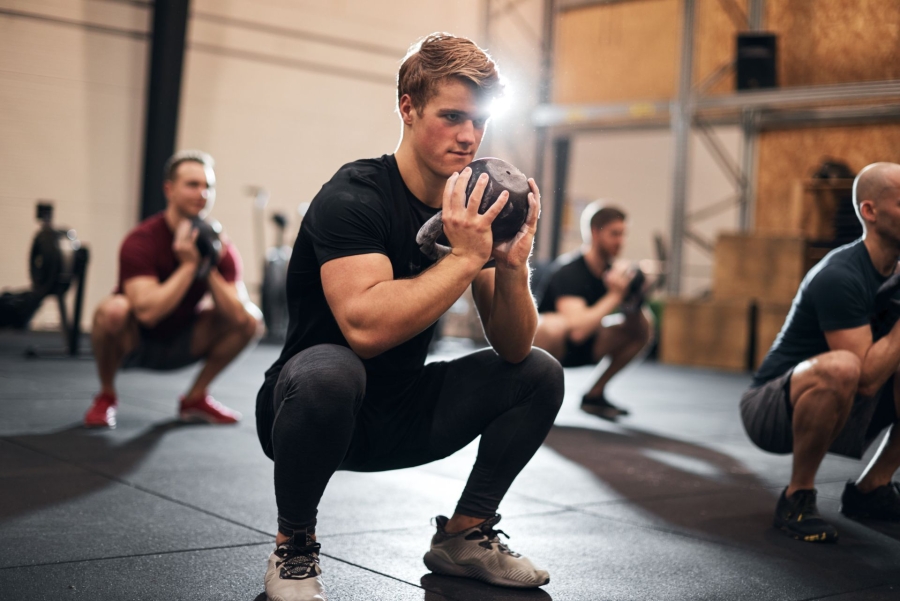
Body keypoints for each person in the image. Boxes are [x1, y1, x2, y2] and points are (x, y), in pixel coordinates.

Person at [255, 33, 563, 601]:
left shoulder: (471, 209)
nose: (469, 136)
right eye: (452, 117)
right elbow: (365, 330)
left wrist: (512, 266)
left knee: (539, 372)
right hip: (310, 411)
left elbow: (515, 347)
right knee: (331, 369)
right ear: (407, 107)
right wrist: (468, 258)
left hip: (403, 413)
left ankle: (465, 536)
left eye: (480, 121)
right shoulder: (355, 196)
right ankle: (294, 544)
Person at [740, 162, 900, 543]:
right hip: (772, 408)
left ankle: (872, 489)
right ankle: (798, 496)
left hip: (844, 398)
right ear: (870, 212)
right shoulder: (840, 274)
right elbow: (864, 379)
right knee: (844, 367)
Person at [84, 150, 262, 428]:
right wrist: (188, 267)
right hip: (135, 341)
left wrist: (208, 264)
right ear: (169, 189)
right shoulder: (142, 240)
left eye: (208, 186)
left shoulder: (220, 246)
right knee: (113, 309)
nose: (202, 193)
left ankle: (195, 398)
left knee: (252, 319)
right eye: (193, 184)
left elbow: (240, 319)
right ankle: (106, 396)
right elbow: (147, 314)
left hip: (185, 339)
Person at [533, 202, 652, 420]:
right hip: (551, 351)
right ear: (595, 233)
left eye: (623, 234)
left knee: (645, 326)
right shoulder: (569, 271)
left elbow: (638, 329)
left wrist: (633, 295)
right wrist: (615, 295)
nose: (621, 242)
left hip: (589, 346)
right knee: (553, 326)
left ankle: (594, 395)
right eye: (614, 234)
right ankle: (530, 395)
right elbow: (577, 331)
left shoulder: (613, 273)